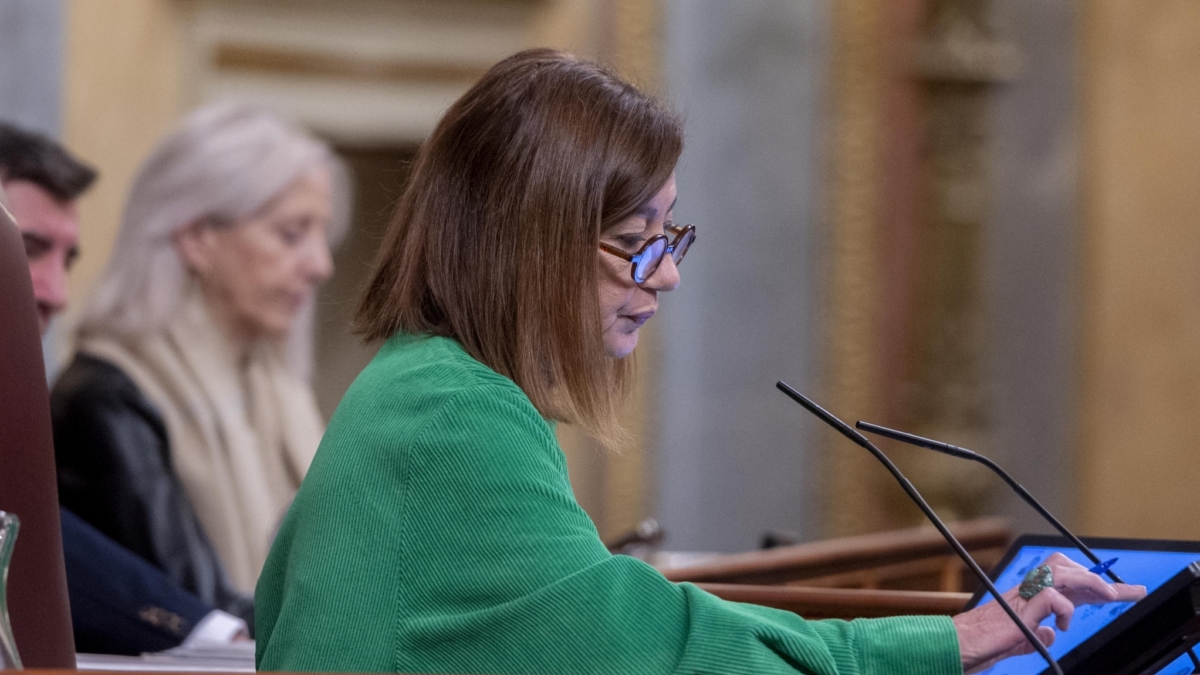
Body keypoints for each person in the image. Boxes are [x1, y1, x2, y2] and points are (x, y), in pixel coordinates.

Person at [255, 50, 1144, 675]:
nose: (668, 272)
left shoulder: (422, 385)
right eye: (637, 242)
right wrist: (961, 640)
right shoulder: (455, 418)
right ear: (529, 245)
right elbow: (664, 652)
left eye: (670, 236)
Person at [51, 103, 344, 625]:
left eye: (321, 235)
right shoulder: (107, 397)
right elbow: (199, 617)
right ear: (197, 237)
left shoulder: (274, 385)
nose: (320, 266)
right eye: (291, 233)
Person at [0, 122, 247, 652]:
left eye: (68, 260)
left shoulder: (275, 390)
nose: (56, 293)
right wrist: (208, 630)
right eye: (28, 249)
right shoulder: (106, 393)